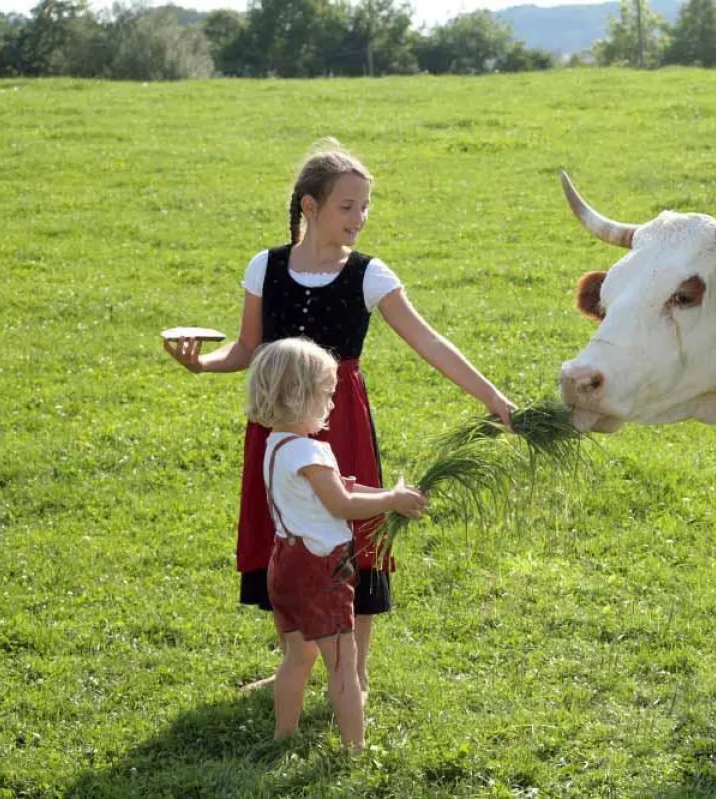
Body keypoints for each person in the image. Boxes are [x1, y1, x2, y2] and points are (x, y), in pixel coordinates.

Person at [163, 138, 515, 702]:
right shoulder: (266, 266)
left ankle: (353, 673)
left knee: (351, 538)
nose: (359, 218)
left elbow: (429, 341)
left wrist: (494, 398)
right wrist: (201, 363)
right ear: (310, 206)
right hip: (274, 427)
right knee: (287, 537)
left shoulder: (370, 275)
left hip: (340, 420)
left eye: (365, 206)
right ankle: (294, 665)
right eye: (347, 206)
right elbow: (248, 349)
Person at [246, 337, 426, 744]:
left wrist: (386, 495)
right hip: (321, 571)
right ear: (300, 397)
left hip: (286, 564)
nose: (331, 405)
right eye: (326, 396)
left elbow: (341, 487)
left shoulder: (278, 445)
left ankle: (284, 734)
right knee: (344, 665)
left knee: (297, 656)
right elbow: (342, 504)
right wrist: (392, 500)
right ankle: (355, 750)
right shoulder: (312, 452)